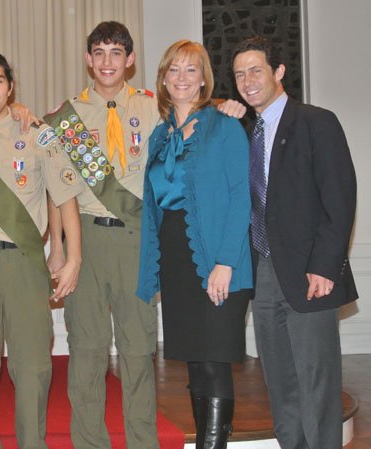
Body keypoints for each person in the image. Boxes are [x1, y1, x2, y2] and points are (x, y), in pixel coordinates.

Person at [232, 36, 358, 449]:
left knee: (317, 384)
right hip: (263, 272)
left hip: (310, 272)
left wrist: (325, 265)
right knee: (280, 382)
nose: (247, 81)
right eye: (239, 74)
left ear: (278, 72)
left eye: (256, 70)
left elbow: (339, 199)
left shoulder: (316, 121)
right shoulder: (246, 131)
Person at [0, 49, 84, 449]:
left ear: (11, 86)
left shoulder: (38, 133)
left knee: (33, 366)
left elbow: (65, 198)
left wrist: (70, 256)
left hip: (25, 260)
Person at [43, 21, 161, 449]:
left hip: (136, 240)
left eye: (116, 52)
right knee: (87, 351)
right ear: (88, 59)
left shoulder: (154, 108)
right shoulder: (66, 116)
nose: (107, 61)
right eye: (99, 52)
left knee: (137, 350)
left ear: (130, 59)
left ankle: (143, 442)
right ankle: (90, 443)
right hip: (85, 241)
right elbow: (58, 189)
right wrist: (57, 248)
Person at [137, 40, 253, 449]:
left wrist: (225, 262)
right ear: (163, 78)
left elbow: (242, 196)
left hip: (219, 259)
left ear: (204, 79)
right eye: (174, 70)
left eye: (191, 70)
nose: (182, 78)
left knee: (216, 360)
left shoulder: (224, 126)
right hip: (176, 261)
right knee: (196, 364)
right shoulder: (159, 135)